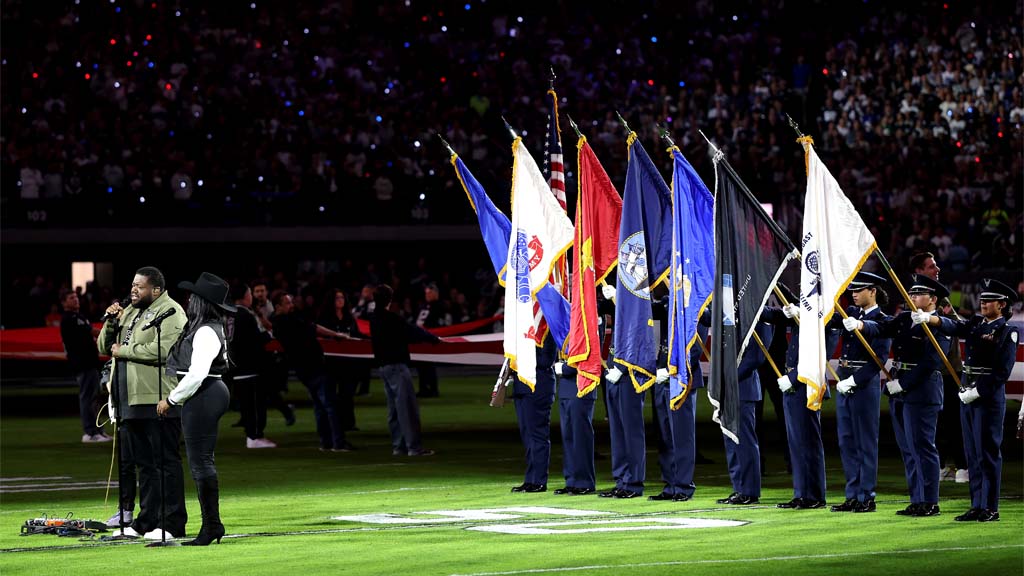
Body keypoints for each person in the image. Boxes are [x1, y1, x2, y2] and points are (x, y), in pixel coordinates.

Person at [845, 273, 956, 517]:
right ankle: (917, 499)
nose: (912, 297)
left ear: (933, 299)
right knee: (908, 449)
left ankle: (930, 502)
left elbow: (932, 362)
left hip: (922, 391)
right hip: (901, 391)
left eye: (918, 294)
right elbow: (884, 326)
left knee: (923, 447)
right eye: (912, 293)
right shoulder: (906, 318)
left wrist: (902, 384)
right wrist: (862, 325)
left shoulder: (941, 324)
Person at [97, 266, 188, 539]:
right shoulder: (132, 312)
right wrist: (111, 322)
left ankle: (172, 523)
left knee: (165, 463)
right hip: (129, 398)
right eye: (133, 284)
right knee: (144, 466)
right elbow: (104, 347)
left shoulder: (171, 312)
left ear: (156, 290)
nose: (134, 289)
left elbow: (164, 350)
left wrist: (123, 351)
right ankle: (147, 520)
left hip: (157, 397)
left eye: (141, 286)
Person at [157, 272, 235, 545]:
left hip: (204, 394)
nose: (189, 301)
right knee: (202, 461)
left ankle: (212, 525)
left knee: (200, 462)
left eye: (193, 298)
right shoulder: (208, 327)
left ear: (202, 302)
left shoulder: (204, 331)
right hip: (208, 393)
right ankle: (212, 524)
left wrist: (172, 399)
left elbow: (197, 373)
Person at [945, 279, 1018, 522]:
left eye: (989, 299)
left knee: (987, 452)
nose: (983, 302)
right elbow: (955, 327)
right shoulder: (976, 325)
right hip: (968, 396)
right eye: (982, 299)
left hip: (987, 399)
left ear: (1002, 304)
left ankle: (990, 507)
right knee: (972, 452)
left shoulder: (1008, 332)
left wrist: (977, 390)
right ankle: (977, 504)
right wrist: (934, 318)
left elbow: (1001, 372)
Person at [762, 301, 840, 510]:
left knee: (809, 443)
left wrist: (794, 377)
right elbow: (771, 315)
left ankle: (814, 495)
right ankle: (801, 493)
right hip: (792, 386)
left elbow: (819, 355)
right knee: (796, 444)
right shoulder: (807, 313)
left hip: (807, 385)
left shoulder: (826, 316)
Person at [828, 272, 892, 513]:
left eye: (859, 289)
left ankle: (867, 495)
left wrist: (855, 379)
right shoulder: (850, 314)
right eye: (852, 289)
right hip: (845, 380)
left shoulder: (883, 320)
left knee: (865, 441)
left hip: (864, 385)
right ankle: (852, 494)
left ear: (873, 291)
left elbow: (879, 359)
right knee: (847, 441)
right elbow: (829, 319)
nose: (854, 293)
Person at [271, 291, 354, 452]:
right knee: (330, 404)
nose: (292, 305)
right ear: (278, 306)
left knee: (319, 405)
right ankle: (338, 442)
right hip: (315, 365)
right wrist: (336, 334)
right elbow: (314, 328)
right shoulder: (292, 320)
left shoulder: (277, 323)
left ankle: (326, 442)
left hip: (302, 369)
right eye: (288, 303)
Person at [911, 252, 968, 483]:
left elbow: (956, 326)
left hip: (948, 368)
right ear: (918, 272)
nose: (937, 270)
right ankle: (943, 464)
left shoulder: (940, 298)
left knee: (955, 420)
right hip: (924, 371)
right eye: (931, 267)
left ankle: (964, 465)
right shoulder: (910, 298)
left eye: (935, 266)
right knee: (934, 423)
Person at [368, 284, 437, 457]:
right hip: (397, 366)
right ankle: (414, 447)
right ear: (389, 299)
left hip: (383, 368)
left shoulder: (374, 318)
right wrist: (433, 339)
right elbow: (412, 331)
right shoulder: (391, 318)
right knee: (407, 408)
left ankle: (398, 446)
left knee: (393, 409)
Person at [716, 320, 773, 505]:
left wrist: (730, 376)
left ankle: (749, 490)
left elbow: (757, 356)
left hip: (743, 386)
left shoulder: (759, 318)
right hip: (726, 387)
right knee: (730, 439)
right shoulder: (731, 316)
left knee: (744, 441)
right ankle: (738, 487)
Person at [227, 282, 276, 448]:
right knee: (255, 405)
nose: (251, 297)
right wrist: (268, 335)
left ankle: (252, 436)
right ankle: (254, 437)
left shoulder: (228, 314)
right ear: (244, 296)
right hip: (250, 366)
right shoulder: (245, 314)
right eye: (250, 293)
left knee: (247, 405)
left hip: (236, 366)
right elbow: (256, 339)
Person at [59, 289, 111, 443]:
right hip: (83, 363)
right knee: (88, 398)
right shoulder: (69, 319)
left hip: (89, 363)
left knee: (93, 398)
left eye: (76, 297)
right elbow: (93, 332)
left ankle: (98, 431)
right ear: (63, 303)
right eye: (71, 298)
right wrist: (111, 334)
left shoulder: (79, 317)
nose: (75, 300)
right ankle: (90, 433)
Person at [510, 334, 558, 493]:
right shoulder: (524, 332)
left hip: (539, 386)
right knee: (528, 436)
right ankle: (530, 479)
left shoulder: (547, 330)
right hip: (522, 386)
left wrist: (523, 354)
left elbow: (546, 360)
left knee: (538, 435)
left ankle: (539, 480)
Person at [318, 288, 365, 432]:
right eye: (337, 298)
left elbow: (357, 336)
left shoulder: (349, 318)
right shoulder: (324, 318)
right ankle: (332, 424)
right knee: (331, 395)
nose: (340, 300)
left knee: (348, 394)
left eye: (342, 297)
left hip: (349, 362)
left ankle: (349, 423)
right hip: (331, 362)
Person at [414, 282, 448, 397]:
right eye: (426, 293)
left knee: (428, 365)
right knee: (421, 364)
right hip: (420, 338)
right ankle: (423, 388)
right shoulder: (424, 305)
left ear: (435, 293)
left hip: (429, 337)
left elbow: (439, 322)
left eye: (429, 293)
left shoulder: (439, 305)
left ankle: (432, 389)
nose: (427, 295)